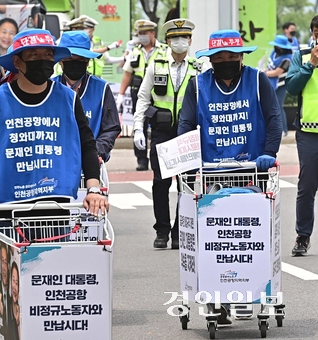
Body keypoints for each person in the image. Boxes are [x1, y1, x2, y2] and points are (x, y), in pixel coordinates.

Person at [178, 29, 282, 324]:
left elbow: (274, 119)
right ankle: (219, 300)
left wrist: (270, 153)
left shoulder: (258, 80)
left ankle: (250, 292)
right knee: (216, 241)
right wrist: (187, 161)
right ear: (210, 59)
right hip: (212, 174)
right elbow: (185, 124)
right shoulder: (198, 86)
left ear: (241, 56)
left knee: (250, 239)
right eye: (219, 57)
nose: (226, 61)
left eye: (231, 56)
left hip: (253, 172)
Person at [0, 28, 109, 221]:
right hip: (8, 202)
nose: (43, 60)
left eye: (48, 55)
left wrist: (93, 189)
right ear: (17, 62)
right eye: (34, 55)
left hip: (56, 200)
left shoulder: (69, 99)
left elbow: (87, 145)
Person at [133, 19, 205, 249]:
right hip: (162, 131)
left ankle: (178, 232)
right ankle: (162, 231)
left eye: (184, 37)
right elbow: (143, 98)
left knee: (186, 184)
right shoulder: (157, 65)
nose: (180, 42)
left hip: (187, 133)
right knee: (160, 183)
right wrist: (137, 128)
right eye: (175, 38)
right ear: (167, 41)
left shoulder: (199, 68)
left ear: (191, 40)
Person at [52, 30, 121, 162]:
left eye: (81, 59)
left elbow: (111, 127)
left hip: (92, 161)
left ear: (88, 62)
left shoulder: (101, 88)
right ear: (61, 61)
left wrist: (97, 151)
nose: (75, 63)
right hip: (56, 162)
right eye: (70, 59)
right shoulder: (50, 88)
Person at [285, 15, 318, 257]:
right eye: (317, 32)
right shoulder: (303, 55)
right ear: (313, 33)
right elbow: (292, 87)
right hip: (309, 132)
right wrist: (310, 66)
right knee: (307, 187)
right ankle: (302, 236)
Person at [119, 19, 169, 172]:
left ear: (152, 33)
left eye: (144, 33)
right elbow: (128, 74)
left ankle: (158, 156)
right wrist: (120, 94)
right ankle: (141, 159)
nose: (141, 36)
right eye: (139, 33)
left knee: (158, 125)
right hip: (138, 95)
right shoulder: (135, 51)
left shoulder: (164, 50)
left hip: (159, 94)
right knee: (139, 124)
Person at [265, 35, 293, 137]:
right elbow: (269, 67)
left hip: (280, 86)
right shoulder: (274, 53)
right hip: (270, 84)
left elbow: (277, 72)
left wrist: (264, 73)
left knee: (278, 107)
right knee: (271, 107)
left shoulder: (287, 60)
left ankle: (283, 130)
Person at [7, 261, 21, 340]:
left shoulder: (23, 310)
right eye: (13, 281)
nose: (15, 287)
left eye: (17, 282)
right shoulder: (4, 306)